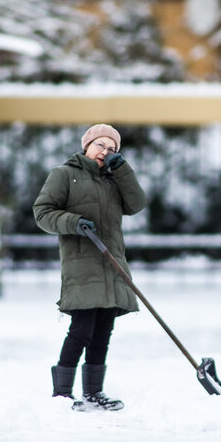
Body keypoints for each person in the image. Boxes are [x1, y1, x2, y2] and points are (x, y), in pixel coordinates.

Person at [33, 124, 147, 411]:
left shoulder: (113, 181)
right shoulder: (64, 175)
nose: (105, 152)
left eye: (112, 149)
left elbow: (137, 204)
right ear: (87, 145)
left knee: (103, 330)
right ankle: (62, 394)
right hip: (82, 263)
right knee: (82, 329)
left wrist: (123, 170)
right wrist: (74, 223)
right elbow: (43, 213)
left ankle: (94, 391)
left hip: (111, 264)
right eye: (100, 146)